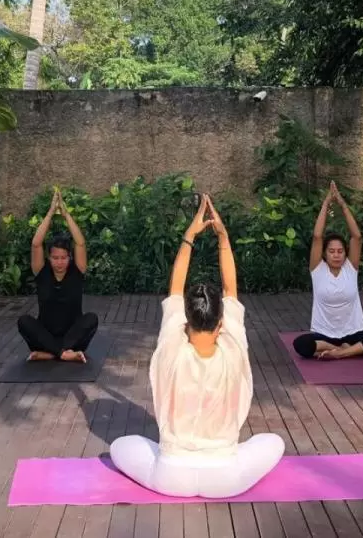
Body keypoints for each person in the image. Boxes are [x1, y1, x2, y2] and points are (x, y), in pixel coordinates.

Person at [109, 195, 285, 498]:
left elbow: (176, 289)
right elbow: (231, 289)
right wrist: (223, 237)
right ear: (221, 324)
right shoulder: (232, 347)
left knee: (118, 446)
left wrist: (189, 235)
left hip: (171, 474)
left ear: (185, 321)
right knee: (274, 442)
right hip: (226, 478)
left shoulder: (172, 347)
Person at [292, 181, 363, 360]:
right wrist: (326, 204)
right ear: (324, 254)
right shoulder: (317, 270)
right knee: (301, 344)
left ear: (345, 254)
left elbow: (357, 237)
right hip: (324, 335)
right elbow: (317, 237)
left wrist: (342, 205)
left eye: (340, 251)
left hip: (353, 333)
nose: (336, 255)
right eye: (331, 251)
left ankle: (341, 353)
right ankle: (346, 349)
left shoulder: (350, 268)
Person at [18, 188, 99, 363]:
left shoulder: (77, 271)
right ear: (49, 257)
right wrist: (50, 212)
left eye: (63, 258)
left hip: (73, 338)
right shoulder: (42, 271)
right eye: (55, 257)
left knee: (91, 318)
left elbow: (80, 242)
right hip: (45, 337)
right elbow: (36, 243)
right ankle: (62, 353)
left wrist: (65, 214)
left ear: (69, 257)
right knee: (24, 321)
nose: (59, 262)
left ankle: (52, 353)